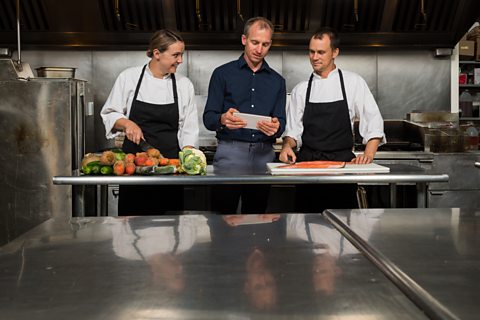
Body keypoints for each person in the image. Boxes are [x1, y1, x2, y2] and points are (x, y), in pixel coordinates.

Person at [279, 27, 386, 212]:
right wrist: (287, 146)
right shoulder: (301, 89)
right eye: (311, 52)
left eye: (321, 52)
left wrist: (368, 154)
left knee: (343, 224)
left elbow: (373, 120)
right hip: (308, 168)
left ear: (335, 52)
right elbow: (293, 132)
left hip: (342, 167)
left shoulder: (353, 83)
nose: (314, 57)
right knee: (306, 226)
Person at [101, 29, 199, 215]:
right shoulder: (128, 78)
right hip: (134, 168)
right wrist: (127, 123)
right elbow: (109, 113)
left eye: (181, 54)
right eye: (175, 55)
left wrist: (187, 157)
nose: (180, 60)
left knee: (170, 225)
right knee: (133, 226)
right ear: (157, 54)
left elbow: (189, 128)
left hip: (170, 168)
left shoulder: (184, 84)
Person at [203, 17, 286, 214]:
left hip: (264, 155)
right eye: (255, 42)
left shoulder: (277, 81)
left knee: (257, 220)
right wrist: (223, 119)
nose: (259, 49)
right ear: (244, 40)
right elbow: (208, 117)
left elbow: (281, 120)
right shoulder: (222, 74)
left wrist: (277, 126)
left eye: (265, 44)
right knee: (222, 218)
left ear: (270, 44)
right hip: (230, 153)